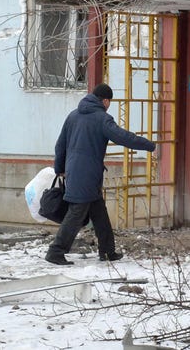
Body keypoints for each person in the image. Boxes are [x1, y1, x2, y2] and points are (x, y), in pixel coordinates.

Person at [46, 83, 156, 265]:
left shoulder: (73, 116)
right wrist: (150, 146)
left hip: (76, 171)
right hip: (87, 174)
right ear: (105, 100)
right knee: (76, 213)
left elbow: (60, 144)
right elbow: (123, 137)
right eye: (109, 102)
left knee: (99, 212)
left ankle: (107, 251)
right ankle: (55, 251)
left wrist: (60, 169)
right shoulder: (102, 118)